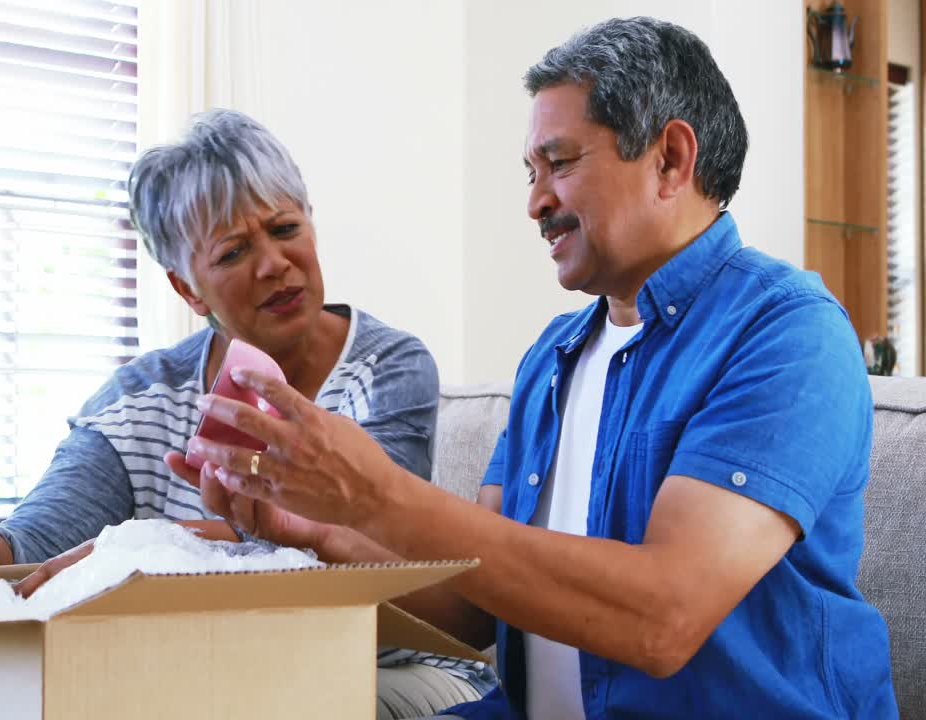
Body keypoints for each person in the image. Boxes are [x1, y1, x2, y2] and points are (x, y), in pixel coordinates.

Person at [169, 18, 898, 720]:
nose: (534, 202)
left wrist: (374, 494)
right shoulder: (553, 355)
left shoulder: (786, 332)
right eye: (530, 172)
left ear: (671, 160)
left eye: (561, 163)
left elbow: (663, 617)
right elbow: (475, 604)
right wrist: (310, 533)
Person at [0, 109, 496, 719]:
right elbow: (37, 539)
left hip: (382, 664)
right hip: (196, 670)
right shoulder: (139, 399)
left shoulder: (387, 367)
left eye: (286, 227)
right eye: (234, 251)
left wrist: (154, 548)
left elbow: (364, 559)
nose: (273, 263)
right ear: (188, 290)